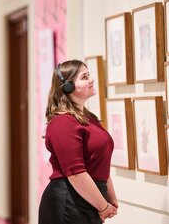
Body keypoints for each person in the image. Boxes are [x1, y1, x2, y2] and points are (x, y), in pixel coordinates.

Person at [39, 60, 118, 224]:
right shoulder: (63, 122)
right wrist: (103, 206)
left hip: (88, 197)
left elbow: (99, 161)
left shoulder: (89, 119)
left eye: (88, 75)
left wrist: (110, 196)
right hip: (69, 202)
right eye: (84, 77)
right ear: (68, 87)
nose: (91, 80)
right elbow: (75, 174)